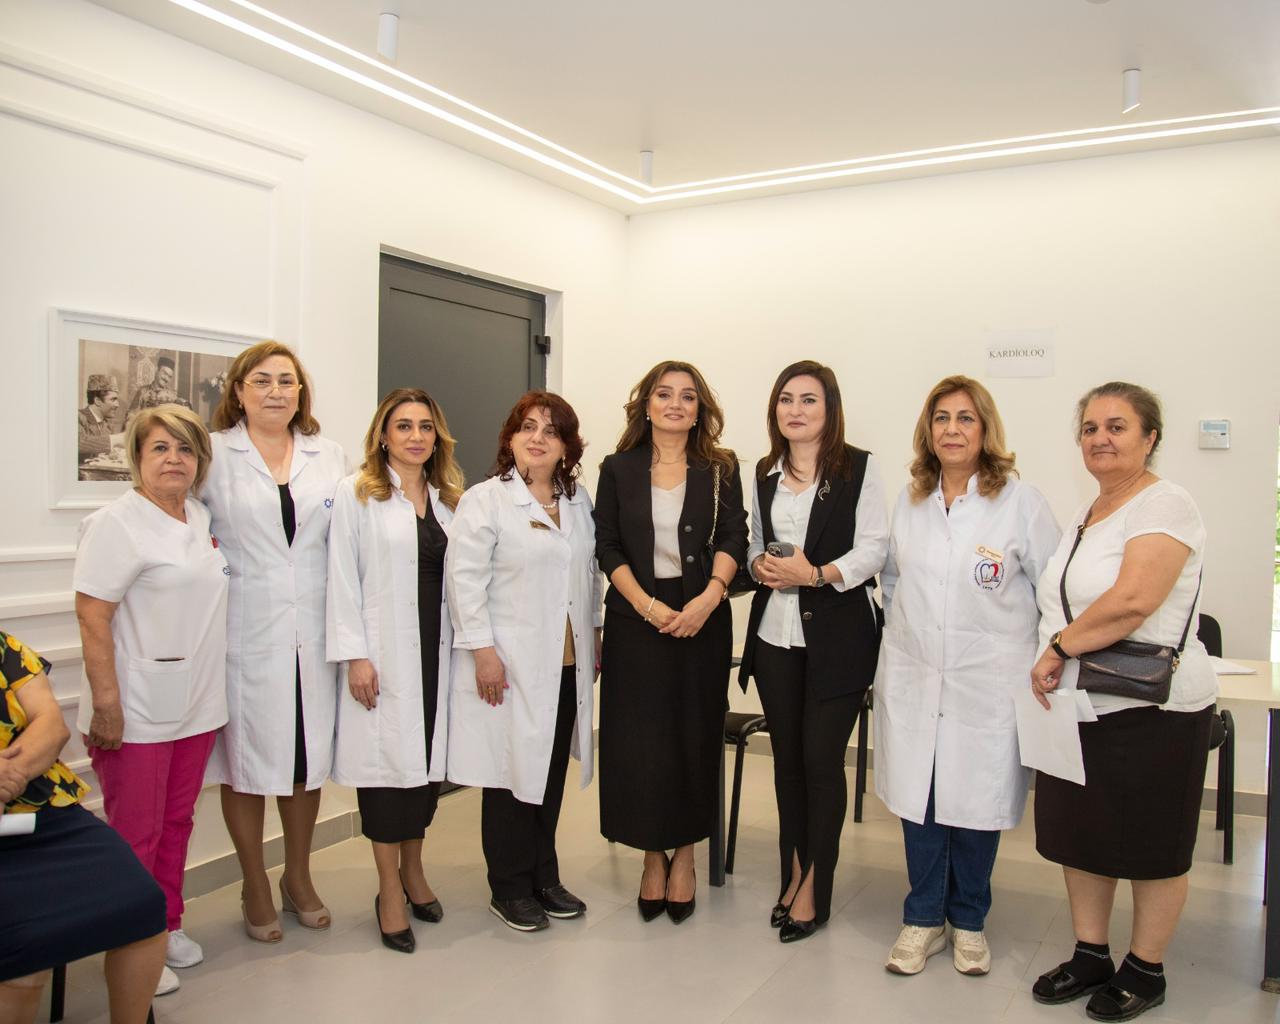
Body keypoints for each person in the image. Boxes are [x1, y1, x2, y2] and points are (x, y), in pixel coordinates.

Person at [1029, 382, 1216, 1022]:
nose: (1100, 439)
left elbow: (1137, 599)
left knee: (1151, 841)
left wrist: (1057, 647)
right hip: (1081, 705)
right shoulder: (1094, 509)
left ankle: (1146, 968)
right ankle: (1091, 954)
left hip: (1151, 709)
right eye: (1089, 428)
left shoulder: (1166, 503)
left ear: (1150, 438)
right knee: (1083, 836)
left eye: (1117, 427)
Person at [873, 375, 1059, 976]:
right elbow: (895, 580)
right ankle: (923, 919)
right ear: (928, 431)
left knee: (977, 800)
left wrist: (1048, 654)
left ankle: (971, 920)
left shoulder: (1020, 503)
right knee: (920, 800)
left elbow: (1053, 587)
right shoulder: (912, 498)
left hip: (988, 677)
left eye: (966, 418)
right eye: (942, 418)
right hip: (916, 669)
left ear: (985, 430)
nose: (952, 429)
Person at [73, 403, 229, 996]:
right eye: (160, 448)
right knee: (135, 832)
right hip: (134, 707)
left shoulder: (197, 515)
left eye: (185, 449)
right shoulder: (116, 523)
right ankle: (131, 944)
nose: (174, 459)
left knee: (177, 822)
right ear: (137, 458)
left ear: (199, 462)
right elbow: (93, 615)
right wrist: (107, 704)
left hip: (195, 701)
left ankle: (164, 924)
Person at [201, 340, 348, 943]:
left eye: (286, 381)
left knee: (302, 762)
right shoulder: (212, 455)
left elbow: (348, 541)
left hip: (312, 631)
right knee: (245, 763)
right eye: (261, 381)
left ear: (300, 391)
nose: (275, 391)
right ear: (238, 391)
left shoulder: (329, 454)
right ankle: (254, 880)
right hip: (244, 631)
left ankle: (299, 875)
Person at [738, 360, 888, 943]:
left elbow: (876, 548)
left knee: (822, 764)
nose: (795, 410)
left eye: (808, 400)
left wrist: (817, 573)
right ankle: (792, 872)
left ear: (830, 409)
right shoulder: (764, 472)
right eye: (785, 400)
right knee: (787, 765)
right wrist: (759, 566)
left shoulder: (860, 469)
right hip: (776, 638)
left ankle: (814, 890)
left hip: (839, 640)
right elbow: (753, 542)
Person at [595, 360, 747, 924]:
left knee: (692, 738)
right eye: (664, 394)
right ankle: (651, 858)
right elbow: (606, 545)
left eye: (688, 396)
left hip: (702, 616)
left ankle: (685, 856)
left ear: (699, 409)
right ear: (647, 404)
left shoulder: (720, 468)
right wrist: (647, 606)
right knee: (641, 744)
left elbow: (736, 534)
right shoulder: (618, 468)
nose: (676, 404)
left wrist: (708, 599)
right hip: (638, 620)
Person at [446, 390, 601, 933]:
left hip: (566, 663)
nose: (538, 437)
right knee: (510, 774)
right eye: (527, 427)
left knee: (550, 771)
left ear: (566, 446)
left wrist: (595, 635)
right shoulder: (485, 500)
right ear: (510, 439)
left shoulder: (578, 501)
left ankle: (544, 874)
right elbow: (463, 583)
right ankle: (508, 886)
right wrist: (483, 653)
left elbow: (590, 577)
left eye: (551, 430)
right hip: (508, 664)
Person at [327, 388, 464, 954]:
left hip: (438, 654)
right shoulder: (357, 494)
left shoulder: (450, 500)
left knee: (426, 775)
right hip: (381, 658)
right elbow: (340, 578)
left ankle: (414, 871)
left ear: (438, 437)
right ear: (383, 434)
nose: (415, 436)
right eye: (403, 426)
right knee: (385, 777)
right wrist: (356, 656)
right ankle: (388, 891)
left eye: (425, 427)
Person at [0, 631, 167, 1024]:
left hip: (41, 809)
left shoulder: (5, 647)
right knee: (24, 946)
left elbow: (52, 726)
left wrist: (11, 775)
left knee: (141, 902)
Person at [125, 355, 190, 417]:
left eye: (169, 377)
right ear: (157, 370)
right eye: (164, 373)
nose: (166, 378)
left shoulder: (172, 395)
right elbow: (131, 415)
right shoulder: (142, 391)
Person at [78, 373, 121, 462]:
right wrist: (115, 439)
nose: (117, 404)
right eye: (113, 399)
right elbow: (78, 443)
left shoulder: (107, 425)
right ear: (97, 401)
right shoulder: (77, 417)